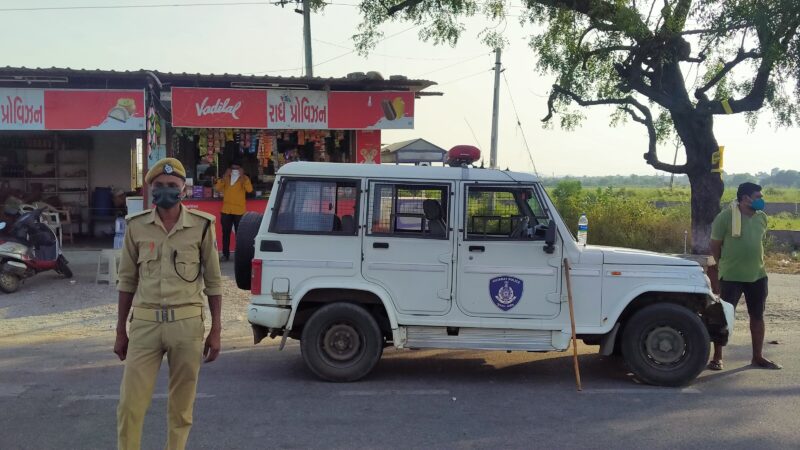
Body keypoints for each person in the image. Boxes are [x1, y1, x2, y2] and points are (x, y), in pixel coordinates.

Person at [114, 158, 223, 450]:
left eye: (172, 186)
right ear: (150, 190)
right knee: (129, 405)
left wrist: (216, 330)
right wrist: (120, 330)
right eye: (159, 186)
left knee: (181, 408)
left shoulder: (201, 227)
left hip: (187, 325)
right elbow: (126, 281)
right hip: (145, 324)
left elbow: (213, 283)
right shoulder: (136, 228)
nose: (165, 191)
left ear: (183, 189)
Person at [707, 182, 781, 371]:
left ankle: (757, 357)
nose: (761, 200)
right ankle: (717, 357)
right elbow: (715, 245)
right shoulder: (725, 217)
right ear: (745, 198)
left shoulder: (762, 217)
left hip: (757, 275)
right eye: (758, 196)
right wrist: (721, 264)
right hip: (731, 276)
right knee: (724, 316)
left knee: (757, 316)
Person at [213, 161, 253, 261]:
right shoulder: (226, 178)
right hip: (226, 210)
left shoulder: (244, 178)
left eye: (237, 168)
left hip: (239, 210)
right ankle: (225, 254)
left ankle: (240, 255)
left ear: (240, 169)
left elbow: (249, 190)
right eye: (233, 168)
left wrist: (243, 176)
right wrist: (224, 176)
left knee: (240, 235)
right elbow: (217, 188)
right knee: (225, 233)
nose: (235, 171)